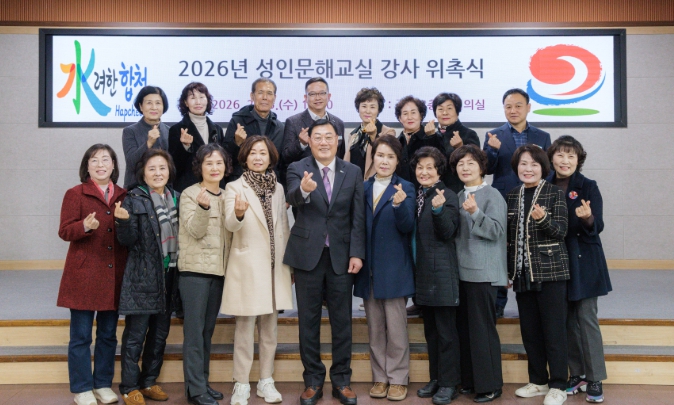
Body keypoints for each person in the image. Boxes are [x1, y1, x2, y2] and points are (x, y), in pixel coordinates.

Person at [283, 118, 365, 405]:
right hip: (308, 255)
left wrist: (357, 252)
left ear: (337, 140)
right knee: (308, 321)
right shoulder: (297, 168)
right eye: (317, 137)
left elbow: (358, 216)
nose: (324, 142)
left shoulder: (352, 171)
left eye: (329, 137)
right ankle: (313, 381)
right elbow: (292, 198)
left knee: (342, 321)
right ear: (310, 141)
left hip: (341, 256)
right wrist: (304, 189)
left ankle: (341, 380)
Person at [222, 136, 294, 405]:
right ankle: (241, 383)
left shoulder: (278, 188)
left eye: (263, 153)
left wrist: (288, 264)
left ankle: (266, 380)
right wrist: (239, 214)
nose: (258, 157)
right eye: (253, 153)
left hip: (275, 266)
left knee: (270, 330)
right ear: (245, 157)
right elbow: (230, 224)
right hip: (248, 267)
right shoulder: (234, 187)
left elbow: (283, 226)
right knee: (244, 329)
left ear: (270, 157)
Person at [57, 144, 128, 405]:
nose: (100, 165)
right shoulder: (75, 194)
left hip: (113, 275)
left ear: (113, 165)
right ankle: (82, 388)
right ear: (87, 166)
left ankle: (102, 384)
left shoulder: (124, 195)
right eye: (94, 160)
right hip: (83, 276)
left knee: (108, 335)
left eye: (105, 160)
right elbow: (64, 231)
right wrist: (84, 226)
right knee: (81, 337)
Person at [547, 136, 611, 404]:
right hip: (554, 260)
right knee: (566, 321)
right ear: (552, 158)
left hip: (584, 259)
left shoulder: (588, 186)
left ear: (578, 160)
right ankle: (577, 374)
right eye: (560, 155)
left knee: (586, 319)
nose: (565, 161)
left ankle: (595, 377)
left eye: (571, 156)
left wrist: (588, 218)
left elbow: (598, 225)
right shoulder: (544, 185)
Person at [114, 149, 181, 405]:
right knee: (135, 337)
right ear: (143, 173)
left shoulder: (177, 198)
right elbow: (127, 241)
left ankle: (149, 381)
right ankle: (129, 387)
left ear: (169, 171)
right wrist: (123, 223)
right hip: (142, 278)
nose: (157, 173)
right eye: (152, 168)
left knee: (159, 335)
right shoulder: (133, 199)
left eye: (162, 168)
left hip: (169, 277)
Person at [353, 135, 415, 401]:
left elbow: (407, 226)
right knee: (375, 329)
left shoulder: (406, 187)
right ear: (373, 157)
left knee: (397, 330)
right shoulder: (363, 187)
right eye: (380, 155)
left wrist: (399, 206)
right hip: (368, 269)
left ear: (397, 161)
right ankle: (380, 377)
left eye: (391, 156)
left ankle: (398, 378)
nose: (385, 161)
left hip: (394, 269)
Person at [506, 145, 569, 405]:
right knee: (530, 332)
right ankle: (538, 381)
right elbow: (509, 239)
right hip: (522, 274)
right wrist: (509, 271)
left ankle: (559, 385)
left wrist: (543, 220)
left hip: (551, 272)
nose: (528, 169)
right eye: (523, 163)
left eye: (534, 164)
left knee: (554, 332)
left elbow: (561, 231)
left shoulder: (555, 193)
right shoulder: (512, 195)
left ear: (543, 168)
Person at [483, 88, 552, 318]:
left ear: (528, 107)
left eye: (518, 105)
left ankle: (531, 297)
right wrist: (492, 151)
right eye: (508, 106)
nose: (513, 110)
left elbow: (548, 170)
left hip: (534, 199)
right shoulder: (494, 135)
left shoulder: (542, 136)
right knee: (502, 247)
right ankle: (498, 301)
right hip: (503, 199)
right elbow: (486, 169)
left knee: (529, 244)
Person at [449, 145, 506, 403]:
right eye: (460, 163)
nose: (465, 167)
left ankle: (491, 385)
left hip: (483, 273)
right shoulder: (459, 194)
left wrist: (475, 212)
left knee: (483, 331)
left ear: (482, 167)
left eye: (471, 163)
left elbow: (496, 231)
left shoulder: (492, 194)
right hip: (461, 272)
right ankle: (471, 380)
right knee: (466, 330)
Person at [178, 143, 233, 405]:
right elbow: (195, 231)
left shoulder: (228, 195)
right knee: (194, 333)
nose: (214, 168)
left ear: (226, 166)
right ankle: (195, 390)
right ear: (199, 167)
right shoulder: (190, 194)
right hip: (195, 273)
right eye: (208, 163)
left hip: (219, 272)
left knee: (206, 332)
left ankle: (201, 383)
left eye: (219, 162)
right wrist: (202, 208)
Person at [411, 147, 461, 405]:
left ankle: (449, 383)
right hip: (424, 275)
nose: (424, 172)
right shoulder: (419, 195)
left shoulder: (447, 195)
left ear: (439, 171)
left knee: (446, 334)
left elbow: (448, 232)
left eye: (429, 167)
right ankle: (436, 378)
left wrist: (439, 211)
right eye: (420, 167)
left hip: (442, 274)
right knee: (431, 332)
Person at [223, 78, 285, 184]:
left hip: (270, 184)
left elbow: (281, 163)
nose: (265, 97)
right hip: (241, 182)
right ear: (252, 96)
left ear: (274, 98)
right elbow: (225, 157)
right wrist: (236, 143)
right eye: (260, 93)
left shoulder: (280, 127)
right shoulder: (237, 121)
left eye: (269, 93)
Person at [168, 82, 226, 192]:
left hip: (215, 187)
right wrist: (185, 147)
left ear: (207, 100)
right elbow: (174, 165)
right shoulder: (176, 129)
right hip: (189, 188)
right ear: (186, 102)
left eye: (202, 97)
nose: (198, 102)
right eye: (193, 98)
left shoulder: (217, 129)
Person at [281, 77, 346, 170]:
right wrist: (301, 144)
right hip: (304, 175)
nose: (318, 98)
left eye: (322, 93)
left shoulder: (338, 123)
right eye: (312, 94)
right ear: (305, 98)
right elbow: (285, 157)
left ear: (329, 96)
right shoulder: (293, 122)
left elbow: (340, 155)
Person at [425, 93, 480, 194]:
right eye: (440, 109)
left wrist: (460, 147)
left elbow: (477, 164)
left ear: (457, 111)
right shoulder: (431, 135)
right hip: (434, 190)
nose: (445, 113)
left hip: (460, 191)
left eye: (449, 108)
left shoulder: (468, 134)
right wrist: (430, 138)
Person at [122, 86, 170, 189]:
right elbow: (131, 163)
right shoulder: (130, 131)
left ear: (163, 106)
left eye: (158, 103)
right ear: (141, 106)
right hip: (136, 189)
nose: (154, 107)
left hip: (165, 190)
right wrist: (148, 143)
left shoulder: (170, 131)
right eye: (149, 103)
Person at [343, 87, 396, 179]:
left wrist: (373, 137)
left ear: (378, 110)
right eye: (364, 106)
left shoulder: (388, 132)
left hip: (375, 182)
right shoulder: (353, 134)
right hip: (353, 182)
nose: (367, 111)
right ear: (358, 108)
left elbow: (384, 157)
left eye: (372, 107)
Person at [394, 96, 444, 185]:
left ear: (421, 116)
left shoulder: (433, 137)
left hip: (426, 189)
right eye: (405, 114)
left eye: (413, 113)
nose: (409, 117)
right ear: (400, 118)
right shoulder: (396, 142)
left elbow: (441, 164)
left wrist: (431, 137)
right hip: (402, 190)